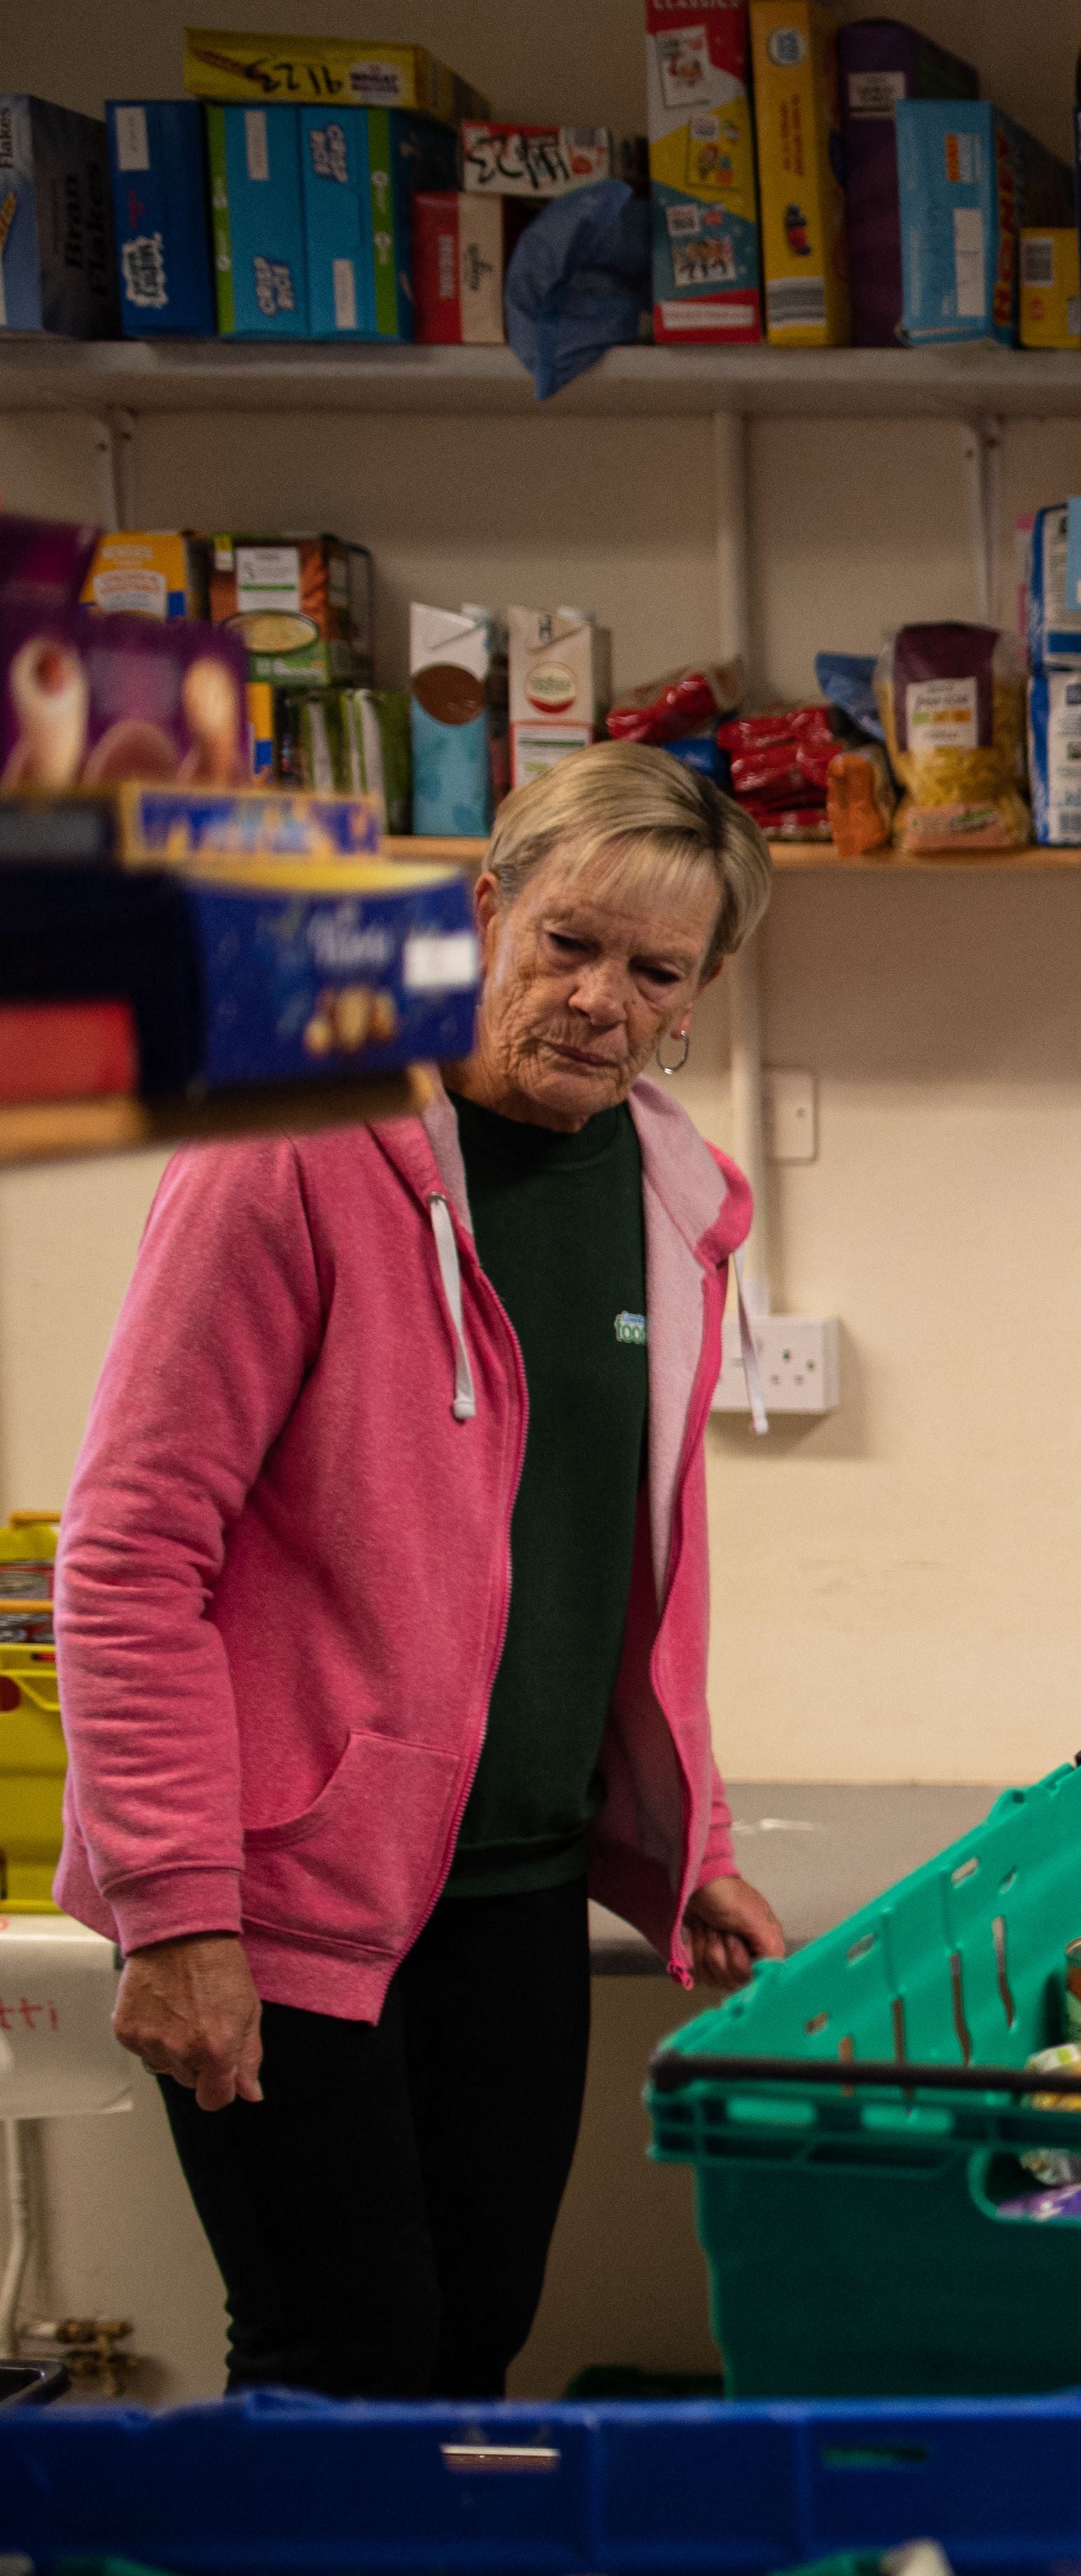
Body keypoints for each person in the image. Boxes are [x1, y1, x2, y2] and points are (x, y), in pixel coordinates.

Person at [60, 741, 792, 2398]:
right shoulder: (297, 1149)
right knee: (345, 2355)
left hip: (514, 1893)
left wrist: (697, 1835)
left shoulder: (674, 1199)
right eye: (571, 943)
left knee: (476, 2337)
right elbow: (129, 1552)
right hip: (279, 1894)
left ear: (701, 992)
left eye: (655, 969)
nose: (602, 997)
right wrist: (175, 1910)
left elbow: (613, 1559)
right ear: (485, 913)